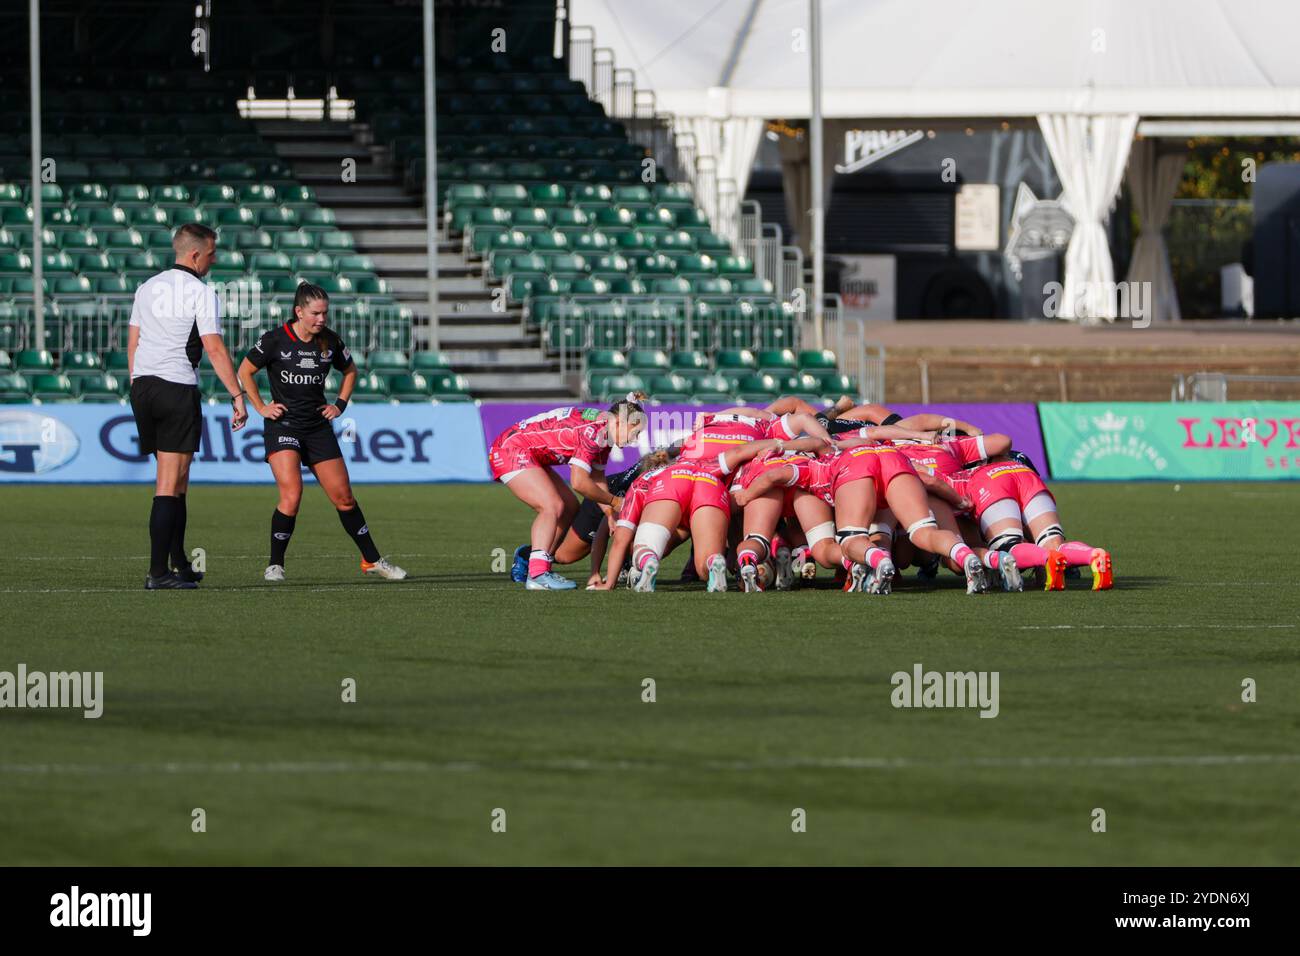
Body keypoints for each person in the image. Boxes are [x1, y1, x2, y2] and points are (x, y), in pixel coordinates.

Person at [238, 282, 406, 582]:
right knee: (292, 494)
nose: (321, 319)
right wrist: (261, 407)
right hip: (283, 426)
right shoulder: (275, 340)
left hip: (317, 428)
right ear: (298, 311)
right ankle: (275, 564)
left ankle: (371, 560)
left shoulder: (329, 341)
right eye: (315, 313)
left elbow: (350, 371)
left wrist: (339, 405)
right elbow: (245, 371)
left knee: (345, 499)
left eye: (325, 313)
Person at [128, 222, 246, 589]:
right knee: (169, 483)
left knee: (177, 481)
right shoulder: (200, 291)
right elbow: (213, 347)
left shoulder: (146, 287)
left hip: (144, 386)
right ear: (195, 254)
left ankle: (178, 562)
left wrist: (138, 382)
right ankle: (157, 573)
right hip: (176, 386)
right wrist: (238, 394)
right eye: (212, 253)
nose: (215, 259)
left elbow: (133, 340)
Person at [489, 398, 647, 590]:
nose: (635, 439)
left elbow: (596, 477)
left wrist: (609, 513)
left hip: (527, 453)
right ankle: (538, 574)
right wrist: (614, 502)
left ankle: (536, 562)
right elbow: (579, 482)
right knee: (552, 506)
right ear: (621, 422)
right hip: (510, 449)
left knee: (570, 506)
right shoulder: (595, 431)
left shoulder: (605, 433)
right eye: (635, 432)